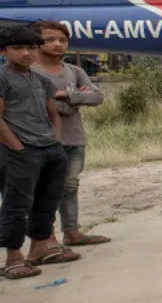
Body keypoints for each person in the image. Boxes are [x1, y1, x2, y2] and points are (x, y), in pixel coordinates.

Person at [0, 25, 79, 279]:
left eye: (31, 48)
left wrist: (55, 143)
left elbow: (52, 113)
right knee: (17, 203)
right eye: (18, 48)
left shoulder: (40, 79)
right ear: (4, 51)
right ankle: (13, 258)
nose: (26, 53)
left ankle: (39, 249)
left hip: (49, 149)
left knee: (47, 201)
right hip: (20, 152)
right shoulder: (2, 77)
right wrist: (17, 146)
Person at [30, 21, 110, 246]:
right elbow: (32, 100)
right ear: (37, 42)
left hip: (73, 137)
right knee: (43, 188)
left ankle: (72, 232)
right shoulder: (29, 71)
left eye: (62, 40)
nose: (57, 44)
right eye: (50, 39)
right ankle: (47, 238)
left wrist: (65, 95)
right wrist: (73, 95)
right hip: (40, 139)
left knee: (70, 185)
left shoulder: (75, 71)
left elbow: (96, 97)